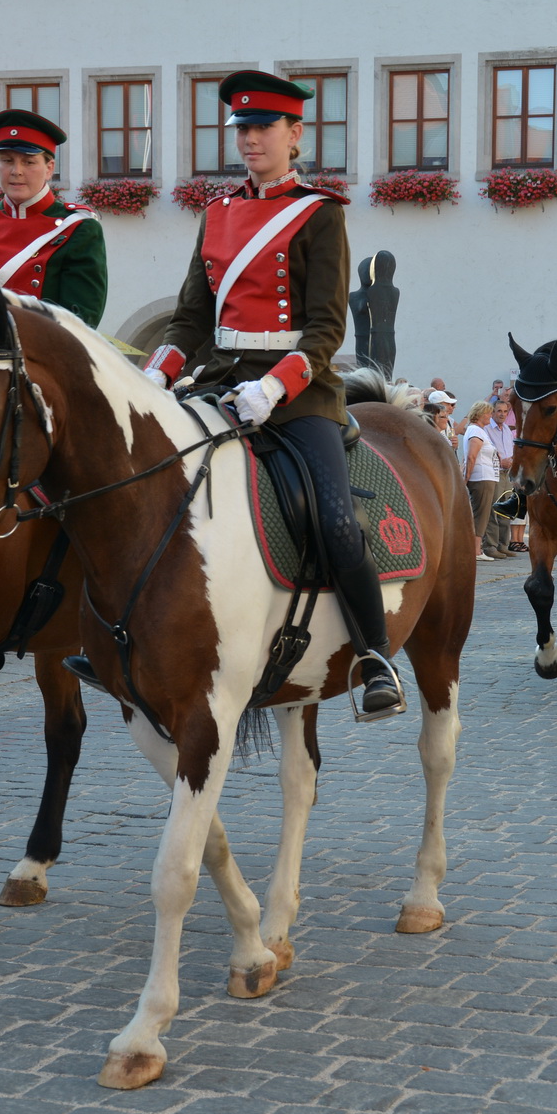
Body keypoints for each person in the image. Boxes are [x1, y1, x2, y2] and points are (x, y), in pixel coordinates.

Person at [139, 71, 403, 718]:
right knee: (139, 482)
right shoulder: (219, 212)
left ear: (295, 134)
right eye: (242, 129)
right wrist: (155, 373)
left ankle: (375, 654)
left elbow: (325, 329)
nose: (250, 139)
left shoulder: (320, 212)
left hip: (299, 393)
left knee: (336, 520)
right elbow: (190, 320)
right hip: (220, 383)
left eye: (263, 128)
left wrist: (274, 385)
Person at [0, 109, 107, 326]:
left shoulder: (77, 227)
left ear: (49, 169)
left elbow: (80, 320)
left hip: (37, 354)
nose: (16, 171)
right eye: (7, 160)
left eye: (29, 162)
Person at [461, 402, 503, 561]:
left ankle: (476, 548)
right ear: (479, 414)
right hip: (481, 477)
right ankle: (476, 550)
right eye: (488, 413)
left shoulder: (480, 431)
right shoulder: (475, 430)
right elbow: (471, 456)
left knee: (483, 513)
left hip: (487, 476)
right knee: (481, 514)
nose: (490, 416)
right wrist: (466, 478)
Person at [483, 398, 518, 556]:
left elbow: (511, 450)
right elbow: (485, 451)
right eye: (499, 411)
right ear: (492, 412)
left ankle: (503, 544)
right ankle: (490, 546)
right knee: (494, 510)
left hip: (507, 474)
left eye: (505, 411)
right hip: (494, 471)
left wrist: (511, 461)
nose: (502, 414)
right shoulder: (486, 429)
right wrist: (500, 461)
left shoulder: (507, 431)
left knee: (506, 509)